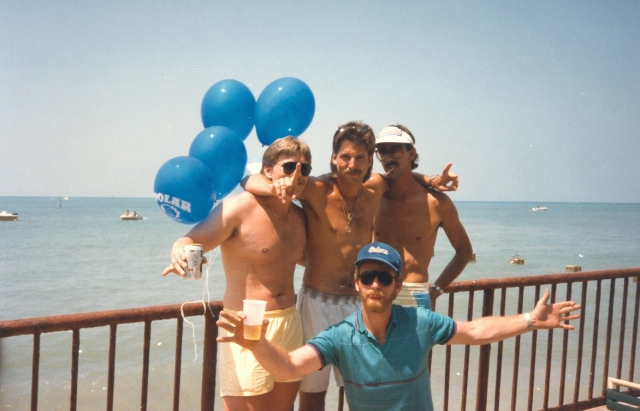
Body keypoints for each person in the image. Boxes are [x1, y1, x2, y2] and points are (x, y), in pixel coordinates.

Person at [243, 121, 458, 410]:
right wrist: (274, 185)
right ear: (333, 157)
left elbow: (402, 174)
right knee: (313, 391)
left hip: (360, 303)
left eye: (360, 158)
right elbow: (248, 180)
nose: (352, 164)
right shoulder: (316, 188)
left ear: (370, 161)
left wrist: (431, 180)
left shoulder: (376, 187)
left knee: (365, 387)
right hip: (317, 302)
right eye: (345, 156)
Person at [217, 242, 581, 411]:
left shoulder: (420, 321)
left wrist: (531, 319)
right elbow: (290, 366)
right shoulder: (342, 337)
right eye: (368, 276)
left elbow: (475, 332)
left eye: (384, 278)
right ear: (357, 284)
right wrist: (255, 344)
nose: (376, 284)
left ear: (396, 285)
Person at [162, 136, 312, 411]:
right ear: (268, 170)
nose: (298, 175)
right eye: (290, 167)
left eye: (305, 169)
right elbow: (191, 240)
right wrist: (180, 253)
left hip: (289, 320)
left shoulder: (300, 217)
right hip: (246, 322)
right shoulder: (239, 208)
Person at [373, 125, 473, 309]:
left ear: (411, 153)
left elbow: (464, 251)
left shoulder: (436, 203)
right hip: (374, 291)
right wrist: (432, 179)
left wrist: (435, 290)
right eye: (382, 151)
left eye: (396, 149)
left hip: (415, 295)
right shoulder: (373, 198)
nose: (388, 157)